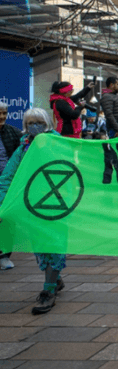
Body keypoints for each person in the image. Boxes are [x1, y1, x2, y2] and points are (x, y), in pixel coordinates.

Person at [0, 108, 65, 313]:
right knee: (40, 247)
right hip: (33, 206)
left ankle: (49, 290)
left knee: (53, 245)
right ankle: (55, 278)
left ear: (47, 123)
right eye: (30, 123)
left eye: (39, 122)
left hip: (57, 206)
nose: (34, 126)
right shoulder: (24, 147)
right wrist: (3, 203)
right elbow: (8, 176)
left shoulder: (59, 144)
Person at [0, 102, 22, 270]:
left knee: (7, 220)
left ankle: (4, 255)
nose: (2, 117)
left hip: (8, 185)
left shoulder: (12, 132)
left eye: (4, 113)